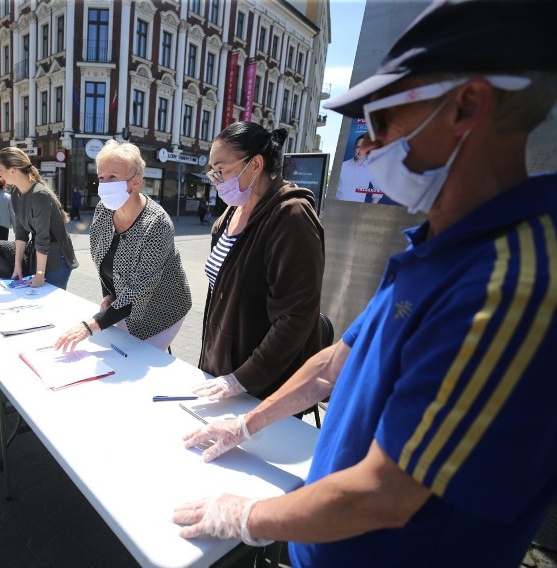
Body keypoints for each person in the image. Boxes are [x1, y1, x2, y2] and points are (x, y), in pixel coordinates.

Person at [172, 3, 557, 568]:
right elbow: (333, 363)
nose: (367, 148)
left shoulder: (510, 284)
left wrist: (248, 517)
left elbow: (384, 495)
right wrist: (245, 421)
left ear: (466, 106)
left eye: (381, 121)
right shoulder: (434, 245)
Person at [192, 122, 324, 401]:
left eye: (221, 169)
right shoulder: (230, 214)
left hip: (263, 382)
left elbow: (296, 316)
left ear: (255, 165)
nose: (215, 179)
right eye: (212, 171)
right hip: (223, 367)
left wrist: (242, 379)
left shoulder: (292, 217)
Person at [54, 140, 191, 352]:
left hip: (162, 308)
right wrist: (108, 294)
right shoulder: (103, 211)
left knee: (142, 360)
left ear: (135, 181)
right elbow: (101, 259)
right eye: (101, 177)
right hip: (124, 305)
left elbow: (140, 288)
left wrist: (89, 326)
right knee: (122, 354)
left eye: (113, 177)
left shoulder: (157, 224)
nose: (104, 184)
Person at [0, 147, 78, 289]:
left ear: (12, 170)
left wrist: (40, 274)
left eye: (0, 169)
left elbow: (42, 237)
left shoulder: (39, 195)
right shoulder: (15, 192)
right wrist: (17, 265)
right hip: (40, 256)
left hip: (56, 259)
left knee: (51, 306)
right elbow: (21, 231)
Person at [335, 134, 381, 203]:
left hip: (357, 211)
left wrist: (372, 206)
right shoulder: (341, 166)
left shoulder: (372, 169)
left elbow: (378, 189)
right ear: (354, 148)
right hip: (337, 208)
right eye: (358, 147)